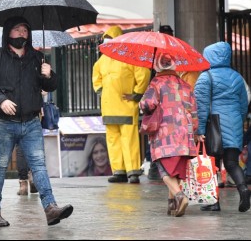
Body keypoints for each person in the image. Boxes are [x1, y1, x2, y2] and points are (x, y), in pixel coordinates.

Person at [0, 16, 73, 227]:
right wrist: (0, 100)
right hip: (3, 122)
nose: (22, 33)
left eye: (25, 30)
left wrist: (49, 75)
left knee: (38, 165)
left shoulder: (37, 58)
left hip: (30, 122)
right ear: (8, 32)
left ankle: (50, 208)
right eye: (17, 29)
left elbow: (50, 87)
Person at [139, 53, 198, 217]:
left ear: (158, 66)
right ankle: (172, 204)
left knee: (164, 170)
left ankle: (180, 197)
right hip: (185, 134)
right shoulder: (186, 85)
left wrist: (142, 102)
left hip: (165, 133)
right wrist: (193, 129)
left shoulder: (156, 83)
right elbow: (194, 112)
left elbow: (147, 104)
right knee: (176, 171)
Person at [194, 41, 250, 212]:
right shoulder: (237, 77)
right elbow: (243, 105)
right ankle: (244, 190)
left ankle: (214, 202)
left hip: (213, 127)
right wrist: (237, 121)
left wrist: (199, 129)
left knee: (211, 164)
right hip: (233, 124)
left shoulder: (205, 77)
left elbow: (201, 108)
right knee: (232, 163)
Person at [92, 26, 151, 184]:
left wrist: (137, 94)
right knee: (113, 139)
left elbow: (143, 73)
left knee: (128, 138)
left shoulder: (129, 56)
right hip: (110, 106)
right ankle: (119, 170)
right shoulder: (102, 61)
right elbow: (96, 79)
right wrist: (101, 91)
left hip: (125, 105)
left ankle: (132, 171)